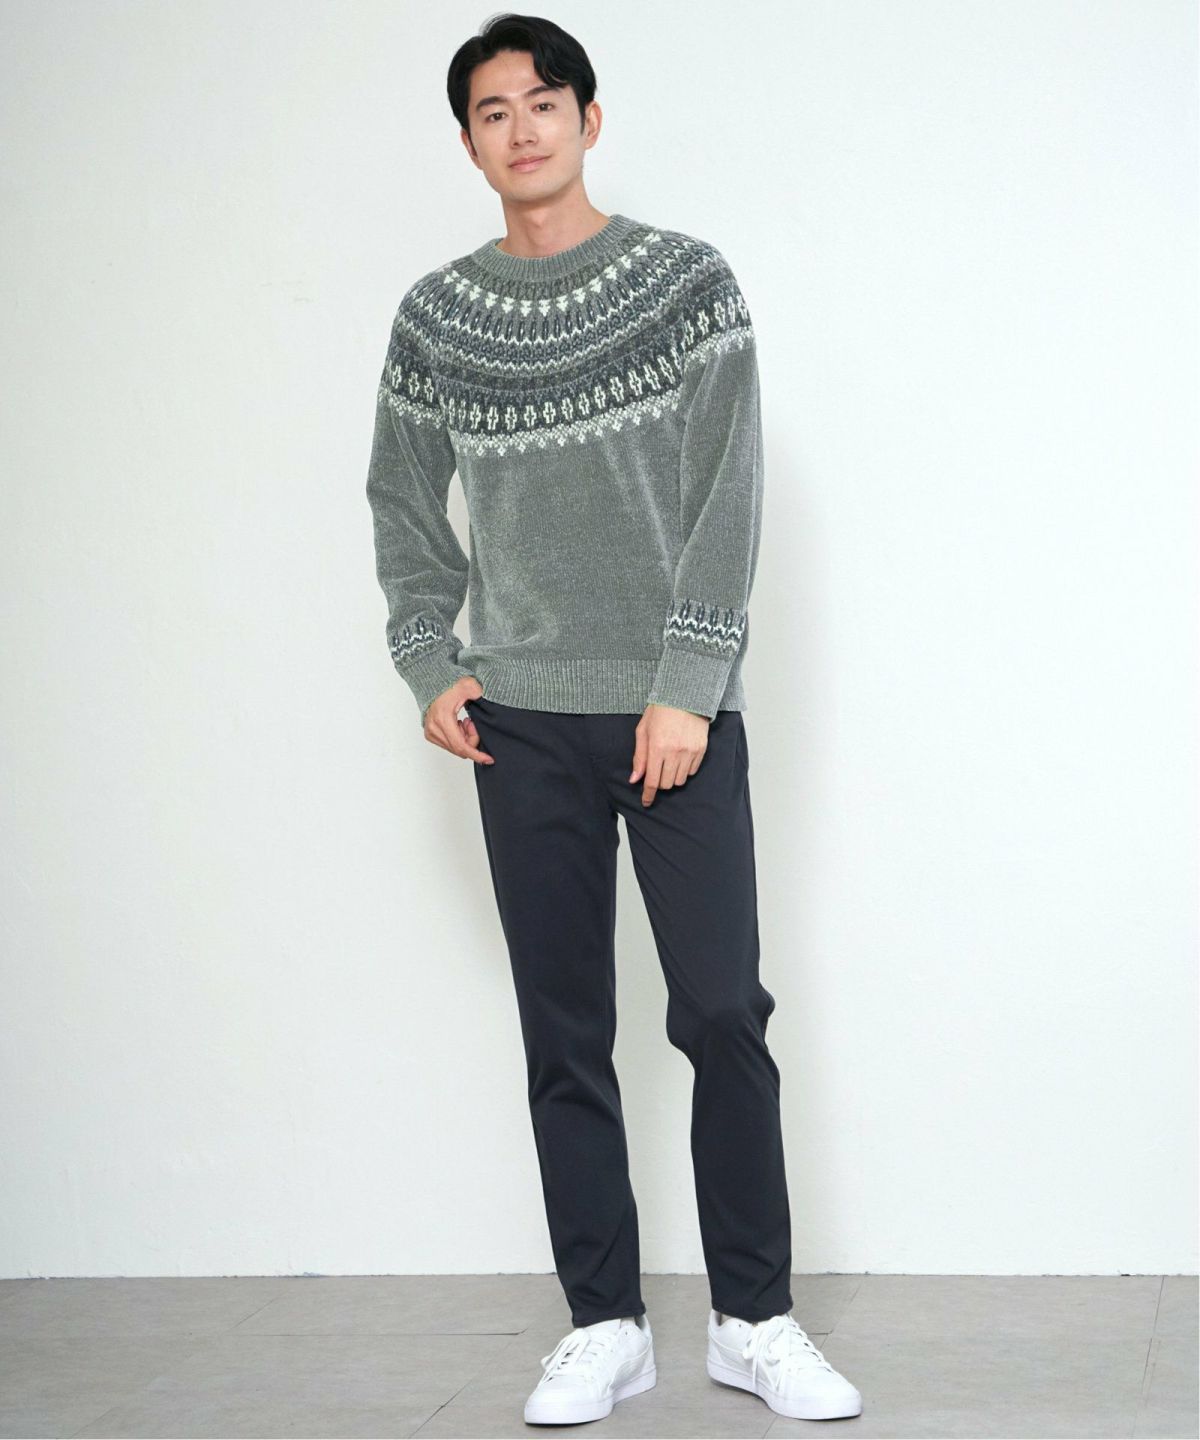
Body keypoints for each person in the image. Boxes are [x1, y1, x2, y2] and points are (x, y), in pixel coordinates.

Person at [364, 11, 863, 1427]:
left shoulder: (684, 286)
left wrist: (686, 684)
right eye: (492, 112)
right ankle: (606, 1325)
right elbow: (401, 498)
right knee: (565, 1026)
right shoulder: (437, 320)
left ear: (589, 118)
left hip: (672, 715)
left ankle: (755, 1319)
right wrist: (428, 658)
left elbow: (726, 491)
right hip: (519, 721)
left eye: (543, 102)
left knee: (722, 1012)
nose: (520, 129)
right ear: (469, 144)